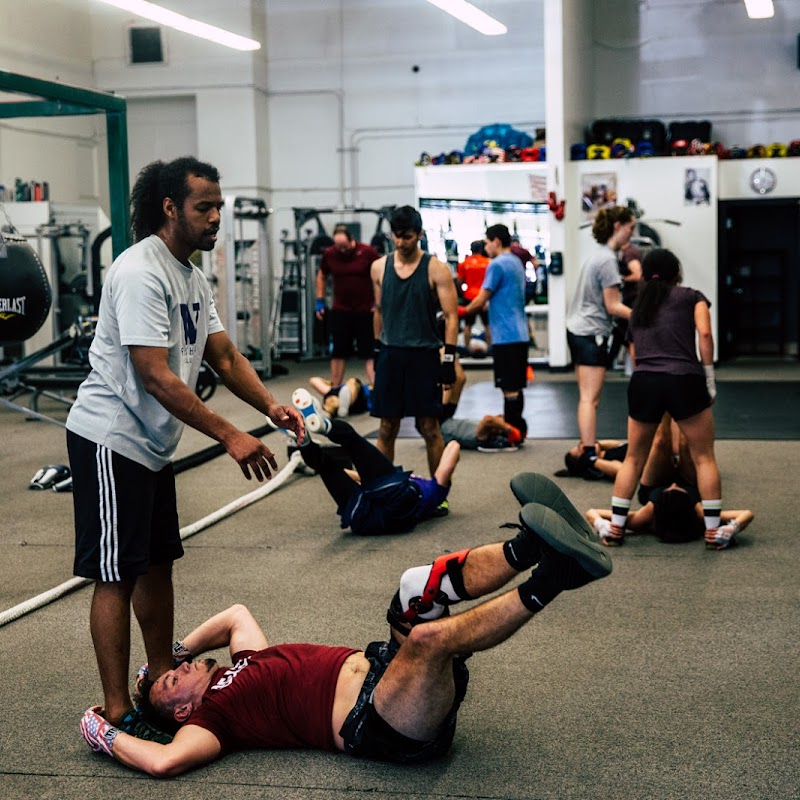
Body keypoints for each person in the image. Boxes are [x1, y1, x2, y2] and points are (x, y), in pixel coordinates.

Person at [79, 472, 613, 775]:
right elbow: (163, 763)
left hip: (382, 665)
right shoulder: (212, 722)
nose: (182, 667)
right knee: (430, 640)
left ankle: (529, 547)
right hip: (382, 722)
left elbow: (235, 615)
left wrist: (164, 658)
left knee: (412, 587)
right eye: (175, 680)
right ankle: (559, 575)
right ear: (185, 709)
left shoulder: (244, 663)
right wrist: (104, 731)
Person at [65, 156, 305, 742]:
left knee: (158, 563)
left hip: (151, 445)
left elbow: (222, 357)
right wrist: (230, 435)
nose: (215, 218)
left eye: (219, 207)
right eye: (204, 208)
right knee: (117, 572)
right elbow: (155, 375)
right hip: (111, 436)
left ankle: (163, 672)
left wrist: (268, 408)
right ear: (170, 207)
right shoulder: (141, 271)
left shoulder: (192, 276)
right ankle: (119, 709)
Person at [604, 248, 723, 548]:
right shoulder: (692, 296)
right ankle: (712, 531)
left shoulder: (638, 304)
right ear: (677, 274)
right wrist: (708, 379)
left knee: (633, 458)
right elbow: (705, 335)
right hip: (685, 378)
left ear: (644, 275)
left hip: (645, 381)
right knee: (703, 457)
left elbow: (633, 350)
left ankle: (617, 527)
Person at [288, 388, 459, 535]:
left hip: (394, 497)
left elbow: (453, 448)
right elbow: (355, 476)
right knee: (325, 465)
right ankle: (300, 433)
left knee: (353, 442)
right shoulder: (434, 494)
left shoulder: (433, 489)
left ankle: (324, 426)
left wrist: (452, 446)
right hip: (366, 519)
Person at [370, 205, 460, 484]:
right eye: (396, 236)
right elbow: (379, 311)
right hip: (390, 355)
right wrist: (376, 350)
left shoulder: (436, 269)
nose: (400, 242)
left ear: (419, 234)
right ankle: (383, 488)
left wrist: (448, 362)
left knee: (429, 427)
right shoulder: (378, 267)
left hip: (424, 355)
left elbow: (452, 317)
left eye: (406, 236)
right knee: (387, 427)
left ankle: (439, 491)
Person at [587, 415, 753, 549]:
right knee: (685, 441)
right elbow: (746, 514)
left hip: (654, 483)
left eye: (669, 491)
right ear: (690, 506)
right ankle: (676, 396)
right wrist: (732, 529)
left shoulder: (646, 517)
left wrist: (600, 524)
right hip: (689, 481)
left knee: (660, 441)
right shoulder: (699, 515)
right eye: (677, 490)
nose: (673, 485)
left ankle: (663, 399)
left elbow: (592, 512)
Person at [566, 205, 635, 478]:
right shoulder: (607, 260)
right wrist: (644, 317)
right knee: (589, 399)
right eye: (630, 226)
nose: (633, 231)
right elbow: (613, 305)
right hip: (591, 332)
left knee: (587, 398)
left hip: (578, 330)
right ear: (617, 226)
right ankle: (590, 454)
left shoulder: (598, 256)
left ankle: (588, 448)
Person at [459, 224, 530, 441]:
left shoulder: (497, 264)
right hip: (520, 333)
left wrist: (459, 312)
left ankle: (511, 434)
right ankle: (518, 430)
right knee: (515, 386)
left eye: (488, 242)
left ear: (496, 241)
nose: (486, 246)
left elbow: (481, 298)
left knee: (508, 388)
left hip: (506, 335)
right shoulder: (517, 262)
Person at [315, 224, 381, 386]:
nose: (342, 250)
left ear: (352, 240)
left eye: (345, 247)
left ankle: (377, 391)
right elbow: (322, 275)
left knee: (370, 353)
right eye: (339, 247)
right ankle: (335, 390)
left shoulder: (367, 252)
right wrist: (319, 301)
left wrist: (378, 302)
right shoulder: (330, 254)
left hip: (366, 310)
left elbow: (381, 273)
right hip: (341, 310)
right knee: (338, 353)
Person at [607, 240, 642, 372]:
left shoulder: (630, 253)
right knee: (621, 333)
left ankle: (610, 362)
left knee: (628, 336)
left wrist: (621, 279)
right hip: (630, 299)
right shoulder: (625, 253)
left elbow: (637, 274)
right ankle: (609, 362)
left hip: (633, 300)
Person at [455, 240, 491, 350]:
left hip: (469, 296)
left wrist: (462, 294)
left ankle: (466, 348)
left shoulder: (464, 264)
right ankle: (490, 348)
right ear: (481, 249)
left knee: (468, 325)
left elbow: (459, 281)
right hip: (483, 297)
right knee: (487, 325)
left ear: (471, 250)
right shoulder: (488, 262)